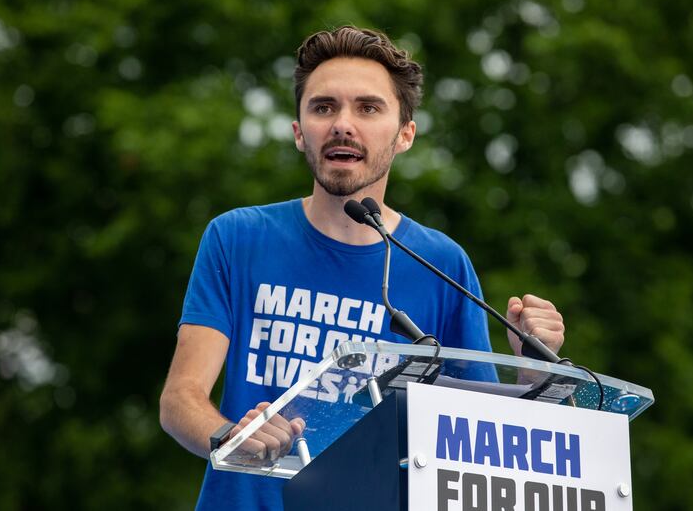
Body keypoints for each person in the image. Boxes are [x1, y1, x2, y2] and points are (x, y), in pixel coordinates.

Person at [159, 25, 566, 511]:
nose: (342, 124)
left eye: (368, 108)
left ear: (405, 135)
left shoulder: (441, 263)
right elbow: (180, 399)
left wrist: (531, 370)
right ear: (298, 132)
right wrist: (230, 433)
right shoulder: (238, 238)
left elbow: (476, 444)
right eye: (323, 107)